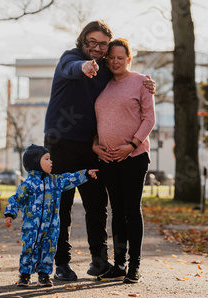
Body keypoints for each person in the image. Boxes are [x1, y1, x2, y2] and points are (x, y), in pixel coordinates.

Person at [43, 20, 155, 281]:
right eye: (92, 42)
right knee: (63, 204)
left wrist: (148, 85)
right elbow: (71, 69)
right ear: (83, 41)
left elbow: (124, 78)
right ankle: (62, 263)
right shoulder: (70, 58)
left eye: (102, 44)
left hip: (92, 145)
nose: (96, 47)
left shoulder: (106, 68)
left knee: (97, 202)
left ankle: (99, 259)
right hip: (61, 142)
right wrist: (83, 67)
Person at [93, 38, 156, 283]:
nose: (116, 61)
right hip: (107, 159)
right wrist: (95, 145)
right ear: (106, 59)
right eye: (112, 57)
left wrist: (130, 146)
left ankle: (134, 266)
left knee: (131, 210)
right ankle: (118, 264)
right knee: (116, 212)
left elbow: (149, 119)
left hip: (133, 157)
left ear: (129, 59)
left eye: (121, 57)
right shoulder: (101, 84)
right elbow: (95, 120)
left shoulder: (142, 82)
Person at [4, 144, 98, 287]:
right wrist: (10, 213)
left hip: (51, 227)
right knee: (29, 249)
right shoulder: (27, 185)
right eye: (47, 159)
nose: (51, 162)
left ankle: (44, 275)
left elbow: (69, 178)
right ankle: (24, 275)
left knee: (48, 250)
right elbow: (16, 199)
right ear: (35, 163)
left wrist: (85, 174)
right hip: (31, 228)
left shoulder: (54, 181)